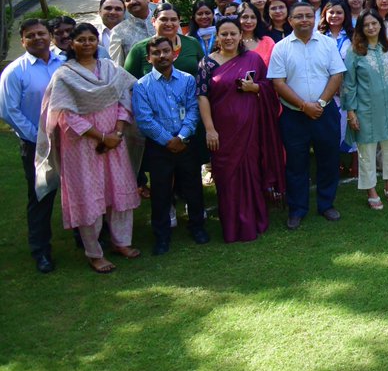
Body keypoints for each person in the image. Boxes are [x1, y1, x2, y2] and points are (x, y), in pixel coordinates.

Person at [35, 23, 141, 273]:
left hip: (115, 140)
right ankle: (94, 253)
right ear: (71, 43)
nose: (86, 43)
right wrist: (100, 136)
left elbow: (125, 97)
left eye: (91, 39)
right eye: (80, 39)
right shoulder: (64, 75)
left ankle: (121, 242)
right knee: (88, 195)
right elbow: (65, 115)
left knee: (119, 189)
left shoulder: (110, 68)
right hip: (82, 144)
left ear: (97, 42)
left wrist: (116, 132)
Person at [198, 18, 285, 242]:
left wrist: (254, 88)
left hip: (251, 131)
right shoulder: (207, 63)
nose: (228, 38)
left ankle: (253, 221)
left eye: (232, 34)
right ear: (217, 36)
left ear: (240, 36)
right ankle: (231, 226)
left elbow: (269, 87)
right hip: (222, 133)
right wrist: (209, 129)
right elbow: (202, 97)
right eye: (224, 34)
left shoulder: (253, 59)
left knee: (252, 174)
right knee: (226, 177)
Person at [267, 2, 346, 229]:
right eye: (298, 16)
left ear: (314, 18)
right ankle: (297, 209)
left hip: (325, 111)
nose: (304, 20)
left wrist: (319, 103)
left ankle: (326, 204)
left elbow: (336, 75)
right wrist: (304, 105)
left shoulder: (328, 44)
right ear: (290, 20)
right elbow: (278, 83)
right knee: (295, 164)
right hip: (294, 116)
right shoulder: (281, 47)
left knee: (329, 160)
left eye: (308, 16)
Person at [132, 36, 208, 255]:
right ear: (148, 58)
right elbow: (145, 120)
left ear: (174, 53)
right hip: (159, 147)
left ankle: (197, 227)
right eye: (156, 53)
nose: (162, 56)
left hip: (186, 143)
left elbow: (193, 110)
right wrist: (168, 141)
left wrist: (182, 137)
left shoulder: (187, 80)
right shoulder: (142, 86)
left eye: (166, 51)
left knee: (193, 187)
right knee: (161, 191)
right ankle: (162, 235)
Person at [0, 19, 65, 273]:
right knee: (42, 196)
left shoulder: (65, 63)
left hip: (71, 141)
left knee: (79, 191)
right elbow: (8, 111)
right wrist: (39, 137)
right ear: (22, 40)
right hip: (36, 145)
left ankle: (87, 240)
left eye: (42, 33)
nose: (37, 38)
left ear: (50, 35)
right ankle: (41, 251)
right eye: (31, 35)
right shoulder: (15, 72)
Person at [344, 10, 388, 209]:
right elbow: (349, 84)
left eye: (375, 23)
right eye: (366, 25)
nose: (371, 27)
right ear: (361, 29)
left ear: (380, 26)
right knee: (367, 151)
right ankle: (371, 190)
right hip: (365, 110)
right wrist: (350, 111)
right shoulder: (355, 52)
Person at [109, 0, 156, 65]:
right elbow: (117, 67)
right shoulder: (118, 32)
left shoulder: (165, 21)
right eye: (128, 0)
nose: (132, 2)